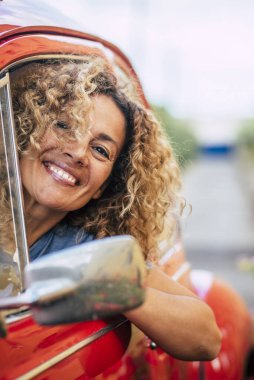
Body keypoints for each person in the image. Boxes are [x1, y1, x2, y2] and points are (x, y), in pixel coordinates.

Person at [8, 55, 221, 360]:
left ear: (103, 187)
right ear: (28, 131)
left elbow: (206, 338)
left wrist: (113, 291)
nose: (78, 152)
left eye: (100, 150)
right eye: (64, 125)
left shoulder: (84, 251)